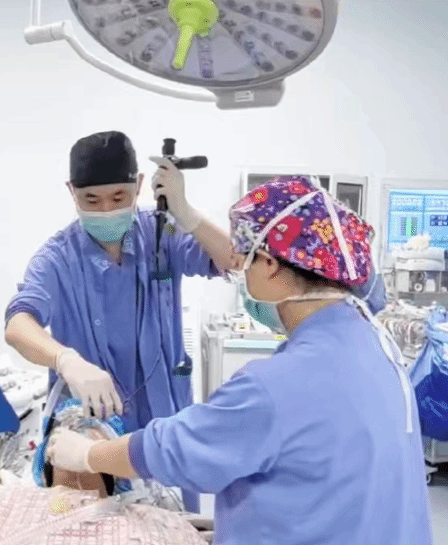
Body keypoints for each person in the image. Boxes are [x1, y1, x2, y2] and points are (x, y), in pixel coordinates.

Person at [46, 175, 432, 545]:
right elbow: (327, 478)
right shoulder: (375, 343)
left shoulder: (276, 385)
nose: (241, 275)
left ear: (268, 264)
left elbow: (176, 449)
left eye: (244, 263)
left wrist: (88, 455)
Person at [4, 130, 235, 512]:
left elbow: (235, 260)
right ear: (71, 192)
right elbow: (18, 326)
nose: (106, 210)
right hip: (93, 431)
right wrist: (67, 360)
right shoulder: (57, 258)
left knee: (173, 526)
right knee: (92, 527)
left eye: (118, 197)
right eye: (91, 200)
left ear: (139, 186)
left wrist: (187, 213)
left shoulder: (162, 234)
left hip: (164, 426)